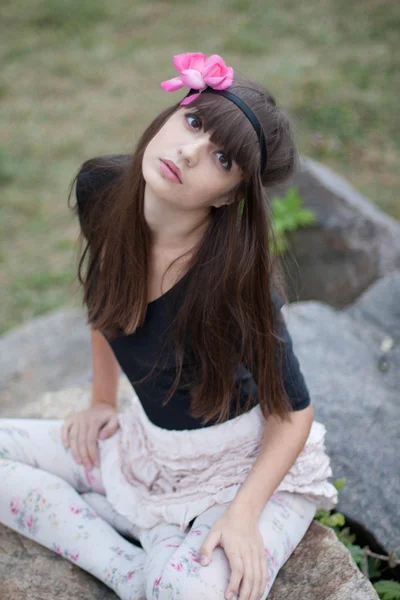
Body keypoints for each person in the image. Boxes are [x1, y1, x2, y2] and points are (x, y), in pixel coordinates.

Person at [0, 52, 338, 600]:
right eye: (194, 121)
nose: (189, 150)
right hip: (147, 449)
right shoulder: (103, 189)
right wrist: (103, 401)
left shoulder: (236, 285)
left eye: (221, 159)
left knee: (188, 592)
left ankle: (160, 560)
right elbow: (108, 293)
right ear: (173, 111)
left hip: (237, 469)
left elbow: (293, 415)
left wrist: (242, 514)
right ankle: (135, 572)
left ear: (229, 195)